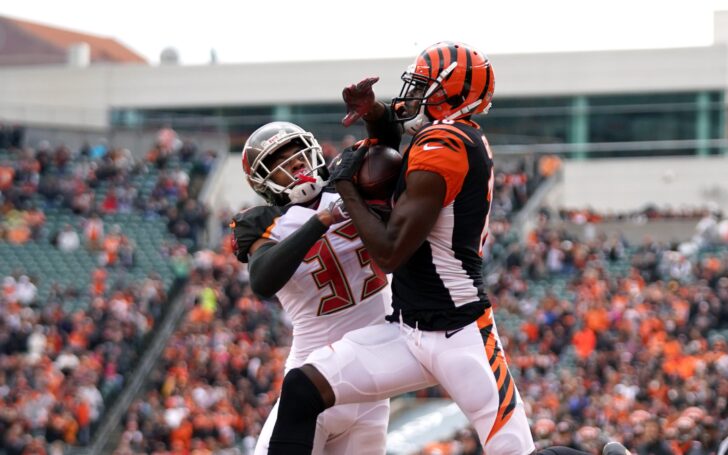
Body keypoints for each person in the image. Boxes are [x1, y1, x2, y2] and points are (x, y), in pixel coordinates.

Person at [266, 42, 631, 455]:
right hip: (407, 329)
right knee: (302, 387)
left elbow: (389, 254)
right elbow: (393, 145)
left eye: (424, 87)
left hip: (459, 332)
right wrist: (374, 113)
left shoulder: (445, 148)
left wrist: (347, 187)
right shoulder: (449, 135)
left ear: (450, 95)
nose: (411, 96)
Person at [231, 121, 394, 455]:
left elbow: (389, 150)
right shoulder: (263, 220)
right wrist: (319, 222)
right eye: (280, 162)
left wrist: (377, 114)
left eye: (298, 154)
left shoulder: (351, 184)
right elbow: (262, 281)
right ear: (264, 183)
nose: (295, 164)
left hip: (371, 390)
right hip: (311, 381)